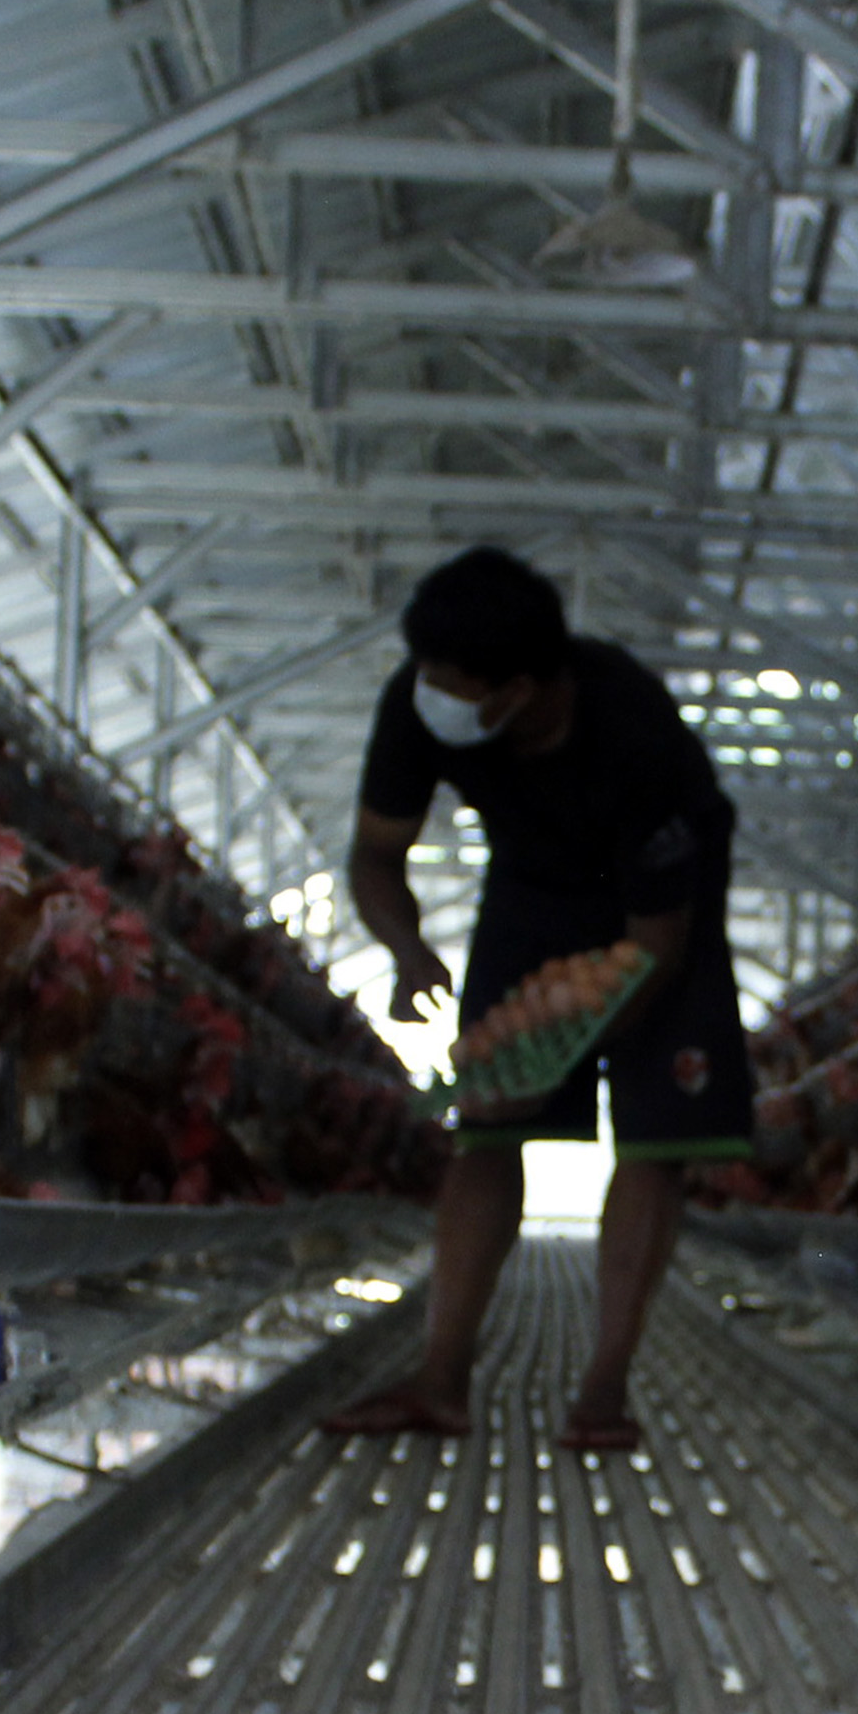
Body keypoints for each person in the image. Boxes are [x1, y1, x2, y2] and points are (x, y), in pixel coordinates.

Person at [324, 546, 752, 1455]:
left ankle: (603, 1386)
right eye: (426, 674)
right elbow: (374, 855)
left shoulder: (633, 734)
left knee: (654, 1132)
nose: (430, 692)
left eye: (453, 681)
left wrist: (553, 1052)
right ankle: (441, 1380)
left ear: (520, 688)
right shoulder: (421, 706)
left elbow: (655, 949)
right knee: (487, 1123)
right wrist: (407, 953)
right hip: (534, 880)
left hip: (661, 901)